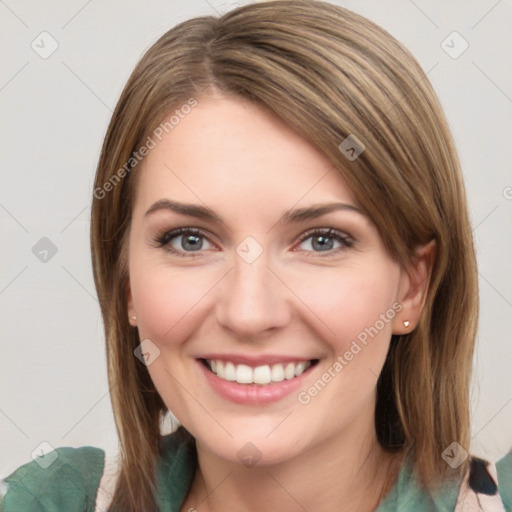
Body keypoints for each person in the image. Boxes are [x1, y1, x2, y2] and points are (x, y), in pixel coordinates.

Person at [1, 1, 511, 511]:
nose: (249, 313)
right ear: (128, 282)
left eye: (322, 240)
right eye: (189, 240)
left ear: (411, 287)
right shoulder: (51, 499)